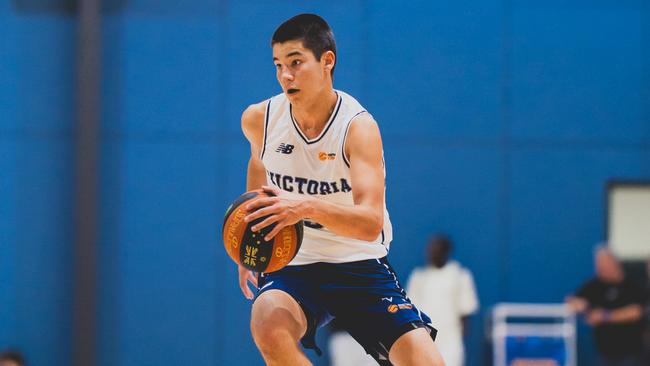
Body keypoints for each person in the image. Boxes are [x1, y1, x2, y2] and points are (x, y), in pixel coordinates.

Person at [236, 13, 445, 366]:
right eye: (278, 65)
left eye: (296, 63)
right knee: (267, 323)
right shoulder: (260, 119)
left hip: (357, 263)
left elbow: (369, 224)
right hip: (295, 263)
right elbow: (259, 164)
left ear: (327, 61)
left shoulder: (357, 128)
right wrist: (252, 236)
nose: (285, 75)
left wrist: (304, 207)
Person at [406, 235, 479, 366]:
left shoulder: (460, 275)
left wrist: (459, 339)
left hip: (451, 341)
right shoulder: (418, 277)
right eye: (430, 249)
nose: (432, 253)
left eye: (436, 249)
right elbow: (410, 312)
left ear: (445, 252)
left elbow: (465, 311)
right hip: (424, 340)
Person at [566, 246, 645, 366]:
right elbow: (572, 301)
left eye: (603, 264)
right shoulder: (594, 286)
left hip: (631, 354)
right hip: (604, 355)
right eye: (598, 265)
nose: (600, 268)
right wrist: (582, 307)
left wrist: (605, 316)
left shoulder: (633, 283)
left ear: (614, 263)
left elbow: (637, 312)